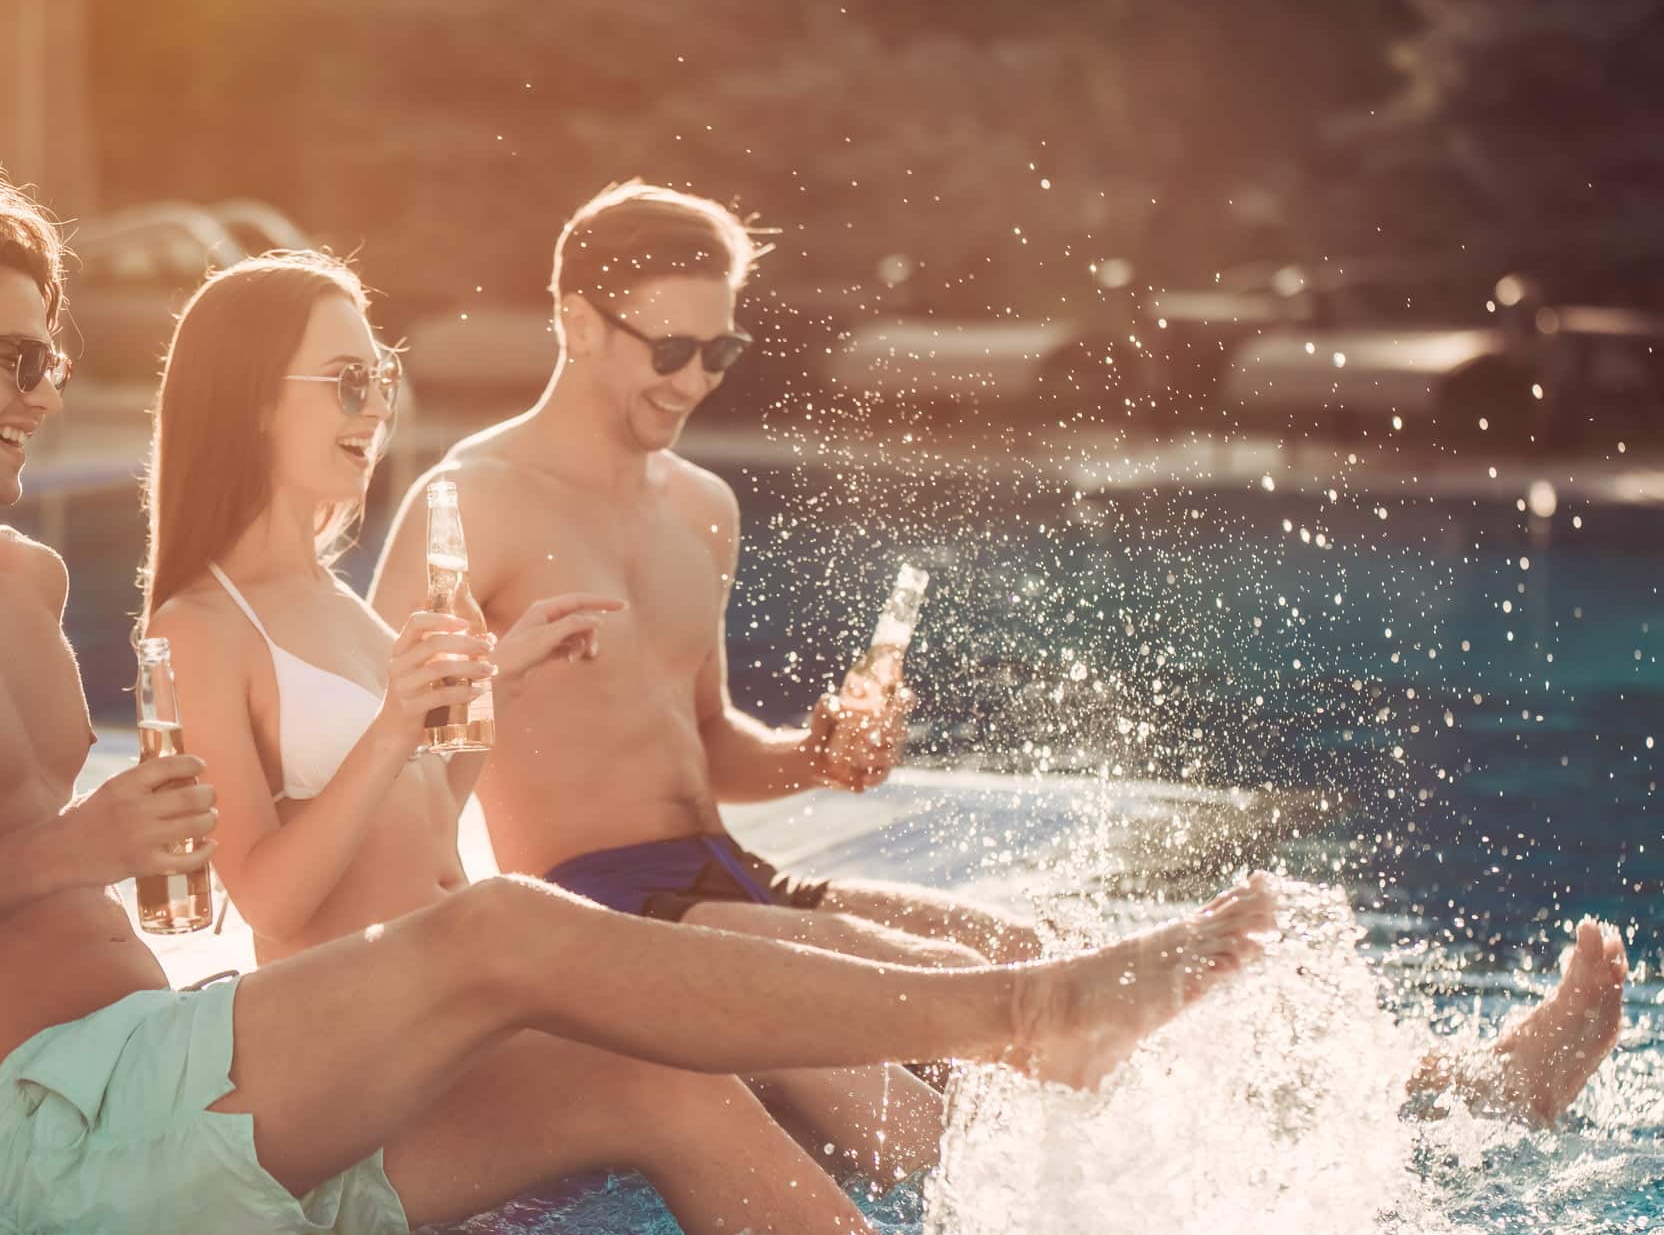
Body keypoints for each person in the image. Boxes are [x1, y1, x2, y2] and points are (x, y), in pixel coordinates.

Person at [0, 173, 1280, 1235]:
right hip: (61, 1136)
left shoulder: (18, 578)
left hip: (200, 1086)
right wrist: (76, 847)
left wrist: (454, 725)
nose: (45, 387)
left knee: (658, 1091)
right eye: (15, 356)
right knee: (507, 931)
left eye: (59, 354)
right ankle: (1021, 1017)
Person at [368, 179, 1629, 1127]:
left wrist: (817, 754)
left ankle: (1449, 1089)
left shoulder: (701, 505)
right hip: (602, 912)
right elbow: (376, 761)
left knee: (1035, 946)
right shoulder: (470, 501)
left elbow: (705, 748)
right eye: (669, 348)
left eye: (723, 349)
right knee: (967, 999)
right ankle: (1288, 1134)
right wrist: (486, 686)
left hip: (726, 875)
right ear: (575, 324)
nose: (696, 379)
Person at [140, 250, 1296, 1198]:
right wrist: (416, 717)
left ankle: (1178, 1169)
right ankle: (1013, 1192)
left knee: (980, 948)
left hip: (587, 931)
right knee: (796, 1016)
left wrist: (507, 693)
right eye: (344, 382)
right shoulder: (312, 575)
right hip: (493, 965)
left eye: (378, 377)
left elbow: (436, 820)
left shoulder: (660, 519)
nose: (375, 407)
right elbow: (281, 896)